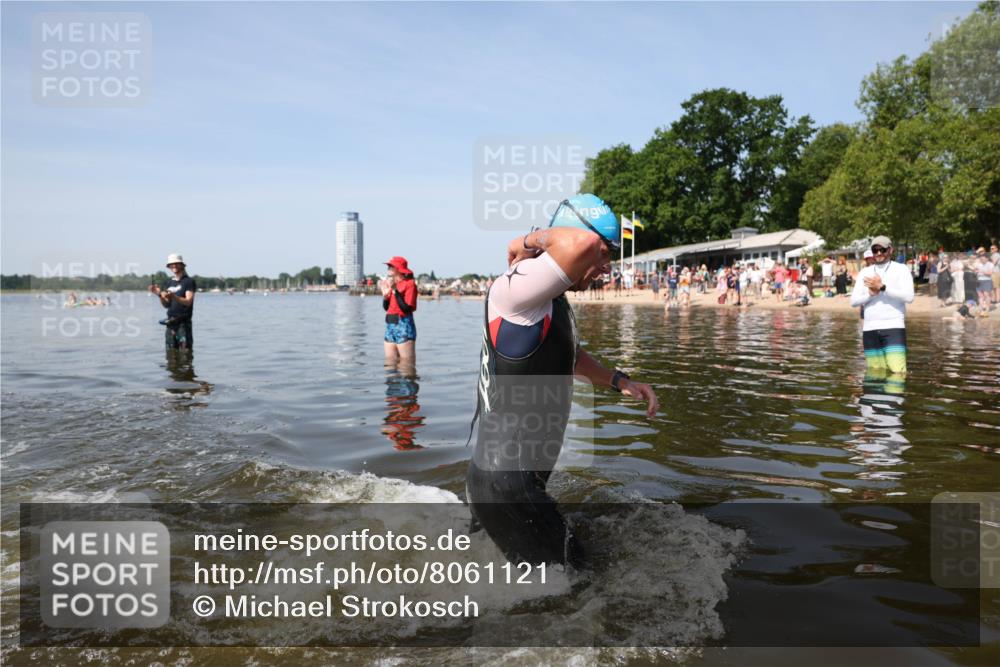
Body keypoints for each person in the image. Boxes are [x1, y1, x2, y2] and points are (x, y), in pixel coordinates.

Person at [466, 193, 658, 567]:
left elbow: (569, 358)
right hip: (507, 483)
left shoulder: (549, 300)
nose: (607, 266)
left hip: (512, 480)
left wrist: (620, 381)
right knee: (580, 586)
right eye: (605, 252)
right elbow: (579, 242)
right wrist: (523, 241)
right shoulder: (515, 289)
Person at [850, 236, 914, 374]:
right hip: (870, 329)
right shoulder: (865, 272)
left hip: (893, 327)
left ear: (890, 250)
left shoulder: (901, 269)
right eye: (875, 250)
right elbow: (853, 301)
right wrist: (870, 294)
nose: (879, 253)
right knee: (875, 374)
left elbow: (909, 297)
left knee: (898, 372)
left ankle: (895, 395)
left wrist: (883, 287)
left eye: (882, 250)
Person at [150, 253, 196, 350]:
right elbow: (166, 305)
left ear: (182, 265)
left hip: (183, 323)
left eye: (176, 263)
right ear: (169, 267)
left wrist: (174, 296)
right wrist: (159, 294)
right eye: (171, 264)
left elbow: (188, 302)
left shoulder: (188, 281)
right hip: (170, 323)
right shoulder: (169, 282)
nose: (174, 266)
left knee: (185, 355)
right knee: (170, 354)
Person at [381, 256, 418, 365]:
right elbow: (386, 308)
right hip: (390, 325)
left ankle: (409, 381)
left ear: (398, 269)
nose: (388, 268)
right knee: (390, 364)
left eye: (390, 266)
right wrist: (385, 297)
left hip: (404, 326)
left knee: (407, 365)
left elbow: (406, 308)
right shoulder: (390, 284)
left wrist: (394, 290)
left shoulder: (409, 284)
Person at [974, 248, 994, 314]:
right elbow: (975, 272)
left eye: (982, 259)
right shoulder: (978, 264)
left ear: (986, 258)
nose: (981, 260)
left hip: (987, 280)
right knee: (980, 296)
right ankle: (981, 308)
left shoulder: (990, 264)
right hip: (979, 280)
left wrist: (981, 271)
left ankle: (987, 308)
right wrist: (975, 271)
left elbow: (990, 273)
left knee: (986, 295)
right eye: (980, 259)